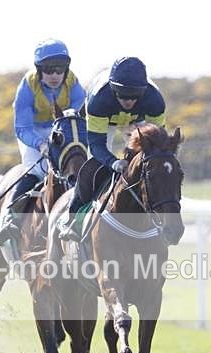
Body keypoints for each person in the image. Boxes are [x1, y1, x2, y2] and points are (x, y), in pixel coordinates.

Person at [58, 56, 165, 240]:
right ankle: (72, 217)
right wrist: (113, 162)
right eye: (124, 95)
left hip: (136, 122)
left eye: (134, 96)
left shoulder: (155, 101)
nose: (129, 101)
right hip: (104, 120)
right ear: (114, 89)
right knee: (94, 166)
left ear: (143, 91)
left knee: (151, 166)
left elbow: (157, 144)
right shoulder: (99, 99)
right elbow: (97, 144)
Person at [0, 38, 85, 245]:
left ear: (66, 69)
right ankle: (11, 218)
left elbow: (80, 115)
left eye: (59, 69)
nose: (54, 75)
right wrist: (41, 144)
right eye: (48, 69)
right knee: (35, 170)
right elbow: (22, 128)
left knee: (78, 165)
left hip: (61, 129)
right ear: (39, 69)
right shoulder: (28, 86)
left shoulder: (73, 82)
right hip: (33, 132)